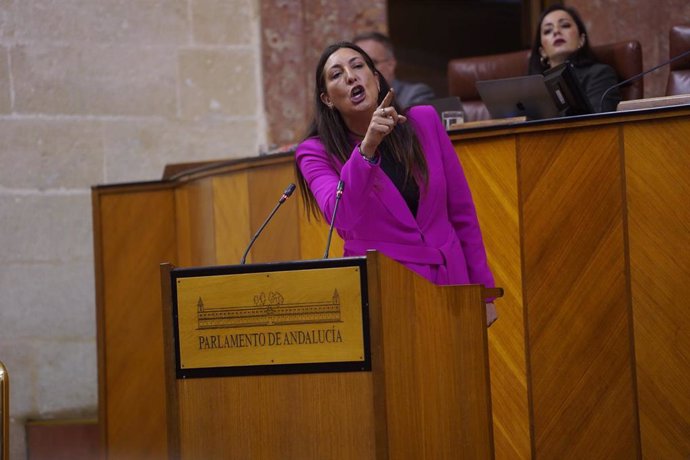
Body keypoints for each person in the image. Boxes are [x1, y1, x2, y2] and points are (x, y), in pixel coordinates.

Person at [295, 41, 497, 324]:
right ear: (328, 99)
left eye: (357, 66)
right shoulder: (315, 152)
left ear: (376, 79)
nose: (351, 76)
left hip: (452, 284)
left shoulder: (423, 121)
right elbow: (341, 214)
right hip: (385, 291)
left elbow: (462, 213)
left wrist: (484, 292)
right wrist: (367, 148)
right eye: (336, 74)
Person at [528, 4, 621, 113]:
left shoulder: (599, 74)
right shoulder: (532, 88)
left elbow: (598, 123)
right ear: (542, 52)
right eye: (548, 30)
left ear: (581, 40)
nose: (556, 31)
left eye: (565, 25)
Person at [353, 31, 436, 109]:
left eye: (372, 63)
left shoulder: (416, 94)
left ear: (391, 65)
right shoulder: (354, 100)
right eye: (358, 66)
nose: (365, 71)